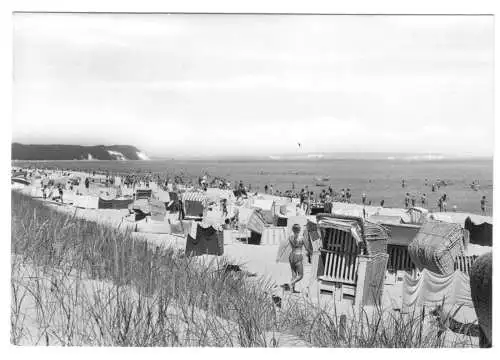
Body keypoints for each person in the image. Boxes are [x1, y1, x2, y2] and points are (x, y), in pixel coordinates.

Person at [288, 224, 312, 293]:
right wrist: (312, 252)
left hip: (291, 255)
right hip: (298, 256)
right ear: (299, 230)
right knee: (301, 275)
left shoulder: (290, 237)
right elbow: (307, 248)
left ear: (293, 229)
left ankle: (292, 290)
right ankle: (291, 283)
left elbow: (293, 245)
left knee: (294, 274)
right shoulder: (302, 238)